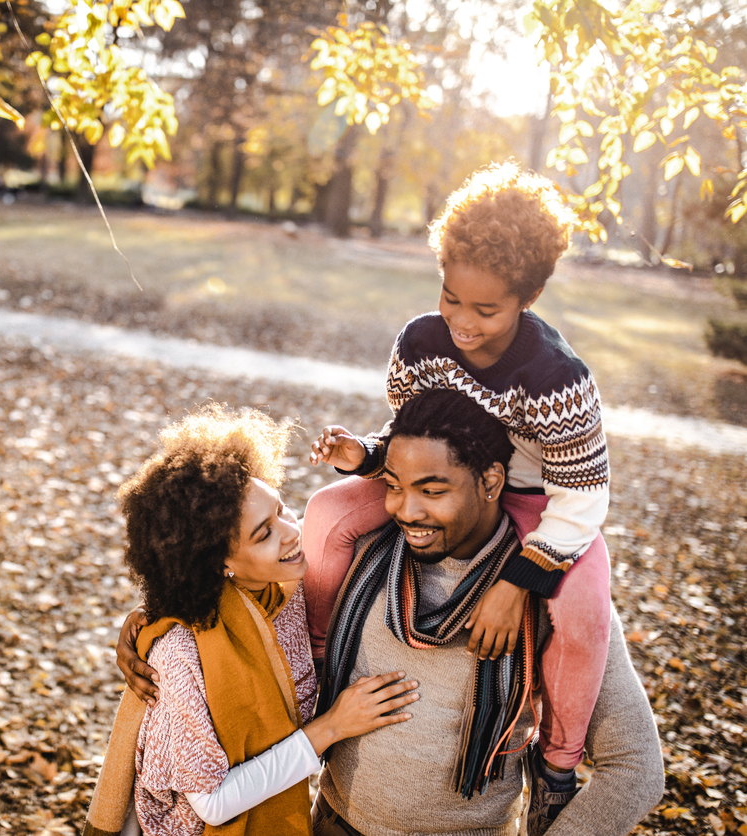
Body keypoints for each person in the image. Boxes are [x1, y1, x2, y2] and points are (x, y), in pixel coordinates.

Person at [119, 390, 664, 836]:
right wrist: (149, 625)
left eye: (433, 490)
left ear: (492, 482)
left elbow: (635, 768)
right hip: (330, 825)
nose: (407, 510)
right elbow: (222, 596)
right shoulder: (346, 561)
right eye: (396, 488)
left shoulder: (553, 598)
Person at [308, 162, 613, 833]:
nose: (463, 324)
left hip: (540, 502)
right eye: (451, 299)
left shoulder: (555, 377)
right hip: (443, 482)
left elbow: (584, 495)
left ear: (528, 295)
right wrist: (366, 455)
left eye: (486, 309)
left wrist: (519, 580)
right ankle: (316, 662)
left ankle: (557, 764)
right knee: (327, 515)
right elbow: (413, 437)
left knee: (586, 610)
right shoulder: (420, 343)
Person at [84, 404, 420, 836]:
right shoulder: (180, 653)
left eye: (281, 509)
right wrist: (333, 726)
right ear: (220, 562)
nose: (291, 531)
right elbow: (213, 802)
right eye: (263, 533)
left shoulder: (288, 594)